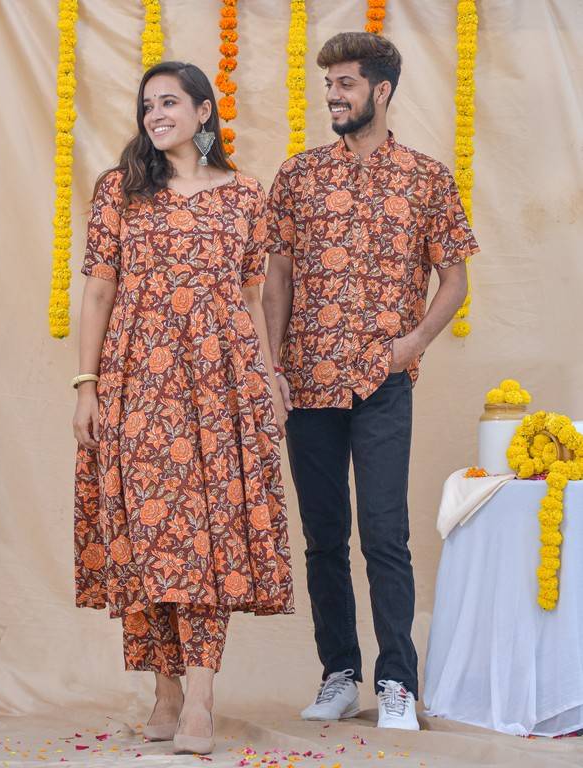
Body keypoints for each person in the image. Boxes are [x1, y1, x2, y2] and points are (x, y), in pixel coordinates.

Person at [72, 60, 293, 756]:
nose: (155, 114)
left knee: (210, 537)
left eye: (170, 102)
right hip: (138, 383)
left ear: (205, 112)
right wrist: (86, 385)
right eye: (147, 106)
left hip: (222, 385)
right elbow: (101, 293)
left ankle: (199, 698)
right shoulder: (121, 192)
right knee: (150, 537)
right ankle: (165, 686)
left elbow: (253, 299)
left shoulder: (244, 196)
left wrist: (269, 378)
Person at [263, 32, 479, 730]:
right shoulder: (297, 177)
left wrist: (413, 342)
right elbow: (279, 279)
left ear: (380, 91)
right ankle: (339, 675)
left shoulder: (427, 177)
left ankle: (396, 683)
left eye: (346, 85)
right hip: (307, 383)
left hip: (383, 382)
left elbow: (456, 276)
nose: (334, 96)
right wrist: (272, 367)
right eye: (329, 85)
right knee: (324, 536)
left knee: (385, 535)